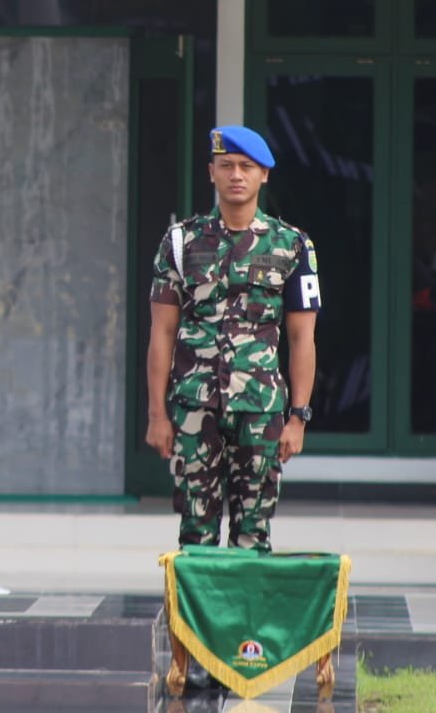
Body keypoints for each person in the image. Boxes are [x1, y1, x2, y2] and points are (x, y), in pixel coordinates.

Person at [145, 125, 320, 555]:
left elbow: (302, 339)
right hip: (193, 408)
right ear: (211, 172)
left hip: (260, 411)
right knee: (194, 534)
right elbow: (162, 332)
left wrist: (298, 417)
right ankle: (192, 624)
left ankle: (246, 623)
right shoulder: (181, 243)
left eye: (247, 167)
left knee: (253, 535)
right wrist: (157, 415)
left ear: (265, 175)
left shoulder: (292, 247)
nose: (236, 175)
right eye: (227, 166)